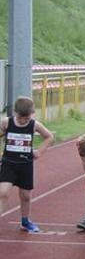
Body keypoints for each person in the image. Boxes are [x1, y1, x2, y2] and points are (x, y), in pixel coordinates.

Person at [0, 96, 54, 233]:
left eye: (27, 118)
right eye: (20, 118)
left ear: (32, 113)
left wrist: (39, 152)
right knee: (3, 192)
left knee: (25, 196)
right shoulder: (6, 123)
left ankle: (25, 221)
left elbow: (49, 137)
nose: (24, 120)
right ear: (14, 112)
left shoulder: (34, 125)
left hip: (25, 165)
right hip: (8, 164)